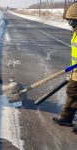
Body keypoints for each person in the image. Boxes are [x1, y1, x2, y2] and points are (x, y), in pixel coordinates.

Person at [52, 2, 77, 133]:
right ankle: (66, 118)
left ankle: (66, 118)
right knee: (72, 92)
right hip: (76, 70)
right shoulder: (75, 32)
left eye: (72, 21)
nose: (70, 24)